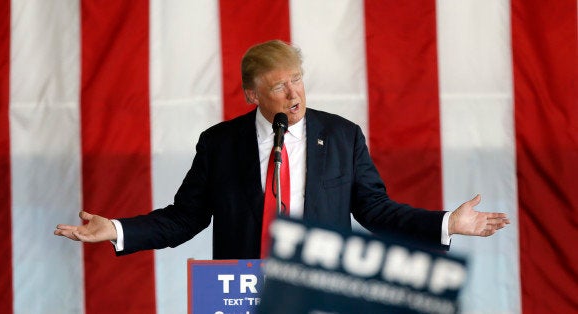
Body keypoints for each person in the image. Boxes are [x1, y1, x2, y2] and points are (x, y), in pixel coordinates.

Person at [54, 40, 509, 259]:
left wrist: (448, 223)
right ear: (253, 96)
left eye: (298, 79)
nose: (294, 94)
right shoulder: (220, 144)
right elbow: (185, 217)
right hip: (241, 293)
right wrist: (115, 229)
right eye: (278, 86)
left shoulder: (343, 136)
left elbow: (376, 211)